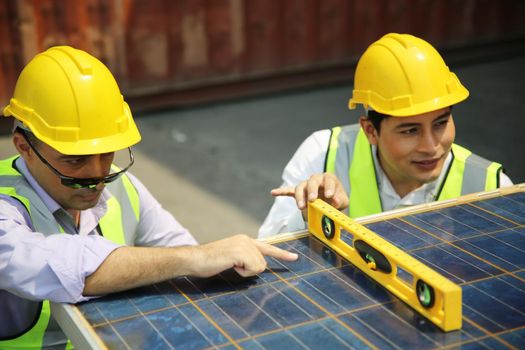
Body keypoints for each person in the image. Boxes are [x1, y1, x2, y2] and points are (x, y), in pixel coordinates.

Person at [0, 46, 298, 349]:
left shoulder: (122, 186)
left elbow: (181, 251)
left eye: (106, 154)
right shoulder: (3, 207)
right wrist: (195, 258)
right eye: (75, 161)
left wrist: (219, 262)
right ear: (24, 147)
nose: (97, 175)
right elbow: (67, 266)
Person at [259, 33, 512, 238]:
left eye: (440, 123)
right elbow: (271, 253)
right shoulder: (323, 153)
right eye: (411, 130)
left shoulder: (493, 187)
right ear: (370, 130)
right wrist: (311, 217)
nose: (431, 145)